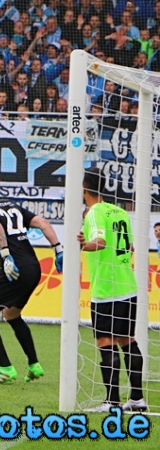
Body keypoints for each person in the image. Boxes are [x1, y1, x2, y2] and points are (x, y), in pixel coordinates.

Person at [0, 171, 63, 385]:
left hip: (15, 268)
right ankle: (34, 365)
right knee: (11, 314)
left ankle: (5, 368)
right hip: (33, 267)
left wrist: (6, 255)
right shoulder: (12, 206)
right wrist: (59, 250)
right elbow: (43, 223)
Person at [77, 168, 146, 412]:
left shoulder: (93, 211)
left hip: (106, 288)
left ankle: (111, 401)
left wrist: (86, 245)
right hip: (127, 286)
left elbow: (101, 242)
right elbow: (129, 246)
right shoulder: (119, 211)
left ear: (84, 188)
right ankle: (137, 399)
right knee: (128, 342)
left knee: (105, 342)